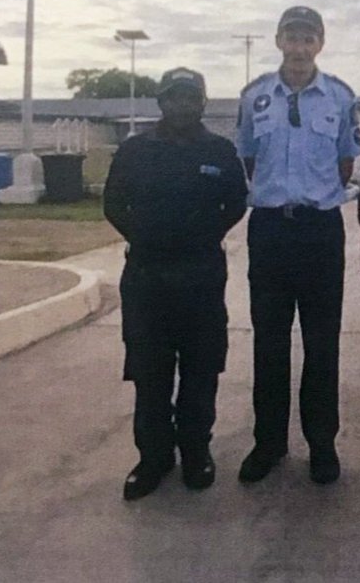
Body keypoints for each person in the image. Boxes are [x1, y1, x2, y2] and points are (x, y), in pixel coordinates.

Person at [104, 68, 248, 500]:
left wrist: (202, 235)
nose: (181, 106)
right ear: (160, 102)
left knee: (201, 370)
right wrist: (145, 237)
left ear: (202, 103)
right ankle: (153, 458)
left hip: (201, 275)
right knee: (150, 373)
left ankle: (195, 451)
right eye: (173, 98)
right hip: (147, 276)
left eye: (190, 98)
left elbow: (237, 202)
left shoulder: (219, 150)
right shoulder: (135, 150)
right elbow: (113, 203)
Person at [235, 6, 360, 486]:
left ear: (321, 43)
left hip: (319, 232)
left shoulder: (340, 98)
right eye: (292, 36)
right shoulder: (255, 99)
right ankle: (268, 443)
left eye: (309, 38)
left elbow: (346, 164)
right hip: (269, 230)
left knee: (321, 341)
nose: (300, 46)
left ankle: (322, 444)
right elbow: (247, 159)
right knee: (269, 341)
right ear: (278, 40)